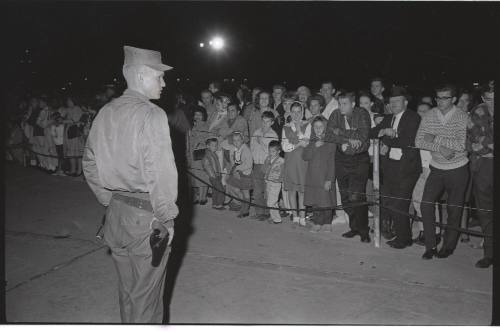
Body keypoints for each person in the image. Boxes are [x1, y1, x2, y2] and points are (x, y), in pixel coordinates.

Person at [83, 45, 177, 323]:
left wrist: (108, 199)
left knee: (127, 293)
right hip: (147, 221)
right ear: (139, 76)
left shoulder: (106, 111)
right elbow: (161, 172)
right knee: (146, 300)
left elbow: (89, 162)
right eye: (158, 76)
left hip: (115, 216)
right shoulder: (152, 114)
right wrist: (166, 219)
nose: (164, 81)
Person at [415, 84, 469, 260]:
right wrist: (442, 148)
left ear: (453, 99)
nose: (440, 101)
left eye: (445, 97)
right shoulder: (430, 115)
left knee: (454, 209)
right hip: (436, 167)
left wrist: (435, 138)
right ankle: (430, 245)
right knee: (426, 204)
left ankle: (448, 246)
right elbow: (419, 141)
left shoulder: (461, 116)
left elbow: (460, 145)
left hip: (458, 169)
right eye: (438, 97)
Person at [370, 86, 422, 249]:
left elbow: (407, 141)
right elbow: (372, 133)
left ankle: (404, 238)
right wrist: (384, 132)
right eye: (391, 102)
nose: (393, 104)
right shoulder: (388, 118)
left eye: (397, 101)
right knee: (392, 203)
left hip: (407, 167)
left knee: (399, 204)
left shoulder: (413, 118)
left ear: (405, 102)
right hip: (390, 166)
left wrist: (387, 139)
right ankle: (402, 236)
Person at [325, 92, 371, 243]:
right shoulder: (335, 114)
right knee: (345, 198)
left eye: (344, 104)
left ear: (353, 104)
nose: (340, 107)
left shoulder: (362, 113)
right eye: (339, 103)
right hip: (341, 159)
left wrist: (340, 132)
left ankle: (364, 231)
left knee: (357, 195)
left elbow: (363, 135)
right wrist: (349, 138)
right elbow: (328, 135)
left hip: (359, 159)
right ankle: (355, 227)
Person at [466, 85, 494, 268]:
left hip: (485, 158)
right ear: (483, 98)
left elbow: (480, 139)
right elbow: (469, 140)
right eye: (490, 99)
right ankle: (489, 254)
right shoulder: (477, 111)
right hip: (482, 167)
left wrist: (483, 142)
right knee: (485, 212)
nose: (494, 103)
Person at [412, 102, 443, 246]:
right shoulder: (418, 127)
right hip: (421, 168)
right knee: (419, 200)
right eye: (419, 111)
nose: (421, 114)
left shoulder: (435, 128)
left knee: (428, 201)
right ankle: (426, 231)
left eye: (425, 111)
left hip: (432, 168)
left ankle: (433, 233)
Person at [302, 116, 337, 233]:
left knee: (326, 200)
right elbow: (305, 156)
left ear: (325, 127)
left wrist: (329, 179)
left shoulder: (330, 142)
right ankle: (317, 222)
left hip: (325, 176)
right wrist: (313, 146)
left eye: (320, 126)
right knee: (315, 200)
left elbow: (332, 162)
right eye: (315, 126)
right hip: (312, 177)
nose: (318, 129)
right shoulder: (311, 141)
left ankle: (327, 222)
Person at [282, 102, 311, 226]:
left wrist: (299, 130)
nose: (296, 114)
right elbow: (284, 147)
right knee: (292, 190)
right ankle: (295, 216)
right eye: (293, 111)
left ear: (303, 112)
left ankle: (303, 217)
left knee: (302, 191)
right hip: (290, 161)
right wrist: (298, 143)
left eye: (299, 111)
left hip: (303, 162)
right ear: (290, 112)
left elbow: (307, 143)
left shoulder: (308, 125)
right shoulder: (286, 127)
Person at [250, 111, 279, 220]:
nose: (264, 124)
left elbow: (272, 152)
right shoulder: (256, 132)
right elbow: (252, 147)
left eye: (267, 122)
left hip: (267, 165)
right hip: (257, 164)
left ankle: (267, 212)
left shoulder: (273, 135)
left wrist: (261, 141)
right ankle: (259, 212)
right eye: (263, 121)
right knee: (257, 190)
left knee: (268, 190)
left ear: (272, 122)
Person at [225, 131, 254, 218]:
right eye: (234, 140)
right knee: (233, 188)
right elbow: (232, 161)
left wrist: (237, 169)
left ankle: (245, 211)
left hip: (246, 173)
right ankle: (243, 203)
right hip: (237, 171)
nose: (236, 142)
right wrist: (234, 169)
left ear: (242, 140)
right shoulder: (233, 148)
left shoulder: (246, 150)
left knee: (246, 193)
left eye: (238, 140)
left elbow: (249, 164)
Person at [188, 106, 209, 205]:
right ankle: (197, 196)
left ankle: (203, 197)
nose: (197, 116)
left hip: (200, 153)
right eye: (196, 114)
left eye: (200, 115)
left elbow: (204, 138)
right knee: (195, 175)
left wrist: (197, 142)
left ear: (203, 116)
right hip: (192, 153)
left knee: (202, 175)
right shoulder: (193, 125)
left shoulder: (205, 125)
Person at [60, 96, 84, 176]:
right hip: (68, 132)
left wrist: (63, 121)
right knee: (71, 153)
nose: (68, 102)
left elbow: (75, 120)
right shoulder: (67, 109)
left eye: (69, 101)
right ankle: (73, 169)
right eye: (67, 101)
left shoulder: (77, 109)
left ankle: (79, 170)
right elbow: (60, 115)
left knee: (77, 153)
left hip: (75, 133)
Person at [263, 140, 285, 224]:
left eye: (273, 151)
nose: (270, 153)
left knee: (270, 202)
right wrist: (266, 162)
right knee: (272, 201)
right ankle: (276, 219)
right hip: (268, 182)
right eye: (269, 151)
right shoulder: (268, 159)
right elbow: (264, 170)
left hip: (276, 184)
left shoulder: (282, 161)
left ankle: (276, 218)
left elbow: (283, 172)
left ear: (278, 151)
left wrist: (280, 179)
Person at [203, 137, 226, 210]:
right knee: (221, 189)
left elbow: (217, 165)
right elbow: (207, 166)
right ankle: (219, 204)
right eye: (213, 145)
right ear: (208, 146)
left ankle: (215, 204)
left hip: (217, 175)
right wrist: (213, 176)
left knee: (215, 190)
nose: (215, 147)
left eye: (216, 145)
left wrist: (219, 174)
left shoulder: (214, 154)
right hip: (213, 177)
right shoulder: (207, 155)